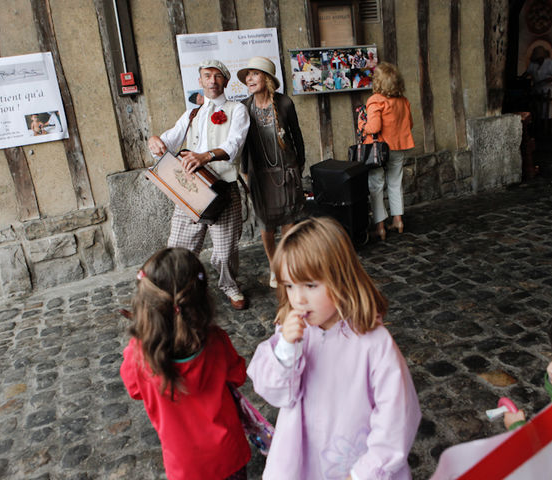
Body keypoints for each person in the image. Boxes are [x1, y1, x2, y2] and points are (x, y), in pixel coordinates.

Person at [247, 217, 422, 480]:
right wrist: (285, 350)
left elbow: (397, 417)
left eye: (310, 285)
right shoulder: (293, 335)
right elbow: (276, 393)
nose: (298, 298)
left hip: (353, 466)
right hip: (301, 463)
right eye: (290, 286)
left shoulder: (374, 342)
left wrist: (364, 473)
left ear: (340, 278)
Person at [120, 248, 251, 479]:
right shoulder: (216, 341)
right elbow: (238, 376)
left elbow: (134, 390)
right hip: (228, 454)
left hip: (184, 465)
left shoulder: (138, 355)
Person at [148, 59, 250, 310]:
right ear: (200, 80)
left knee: (225, 251)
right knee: (179, 248)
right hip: (190, 189)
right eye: (207, 76)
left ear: (225, 81)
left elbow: (234, 145)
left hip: (222, 189)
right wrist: (155, 141)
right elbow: (170, 139)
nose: (212, 81)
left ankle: (229, 285)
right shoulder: (192, 112)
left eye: (217, 76)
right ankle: (178, 293)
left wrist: (205, 156)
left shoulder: (237, 110)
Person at [238, 57, 305, 289]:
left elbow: (297, 137)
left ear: (266, 79)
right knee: (266, 223)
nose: (249, 79)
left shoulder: (285, 103)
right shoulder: (244, 107)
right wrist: (245, 172)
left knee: (289, 219)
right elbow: (243, 144)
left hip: (286, 171)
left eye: (254, 74)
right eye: (248, 75)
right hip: (260, 175)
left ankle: (286, 263)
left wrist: (299, 166)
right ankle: (274, 266)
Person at [359, 62, 414, 241]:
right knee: (395, 183)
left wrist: (361, 125)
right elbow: (409, 124)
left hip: (379, 150)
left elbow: (374, 127)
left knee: (375, 186)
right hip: (398, 147)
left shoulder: (375, 100)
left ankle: (380, 227)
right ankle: (398, 220)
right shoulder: (403, 101)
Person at [524, 46, 552, 120]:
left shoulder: (550, 63)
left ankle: (547, 122)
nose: (538, 60)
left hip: (548, 89)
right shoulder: (533, 64)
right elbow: (527, 73)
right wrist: (521, 78)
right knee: (538, 109)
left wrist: (548, 80)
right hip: (537, 89)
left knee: (547, 110)